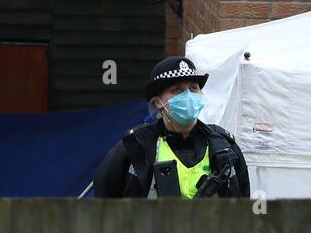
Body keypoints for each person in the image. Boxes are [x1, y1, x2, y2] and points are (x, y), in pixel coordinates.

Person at [92, 56, 250, 198]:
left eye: (193, 88)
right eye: (177, 90)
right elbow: (104, 201)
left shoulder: (224, 146)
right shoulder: (135, 146)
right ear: (158, 102)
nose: (188, 96)